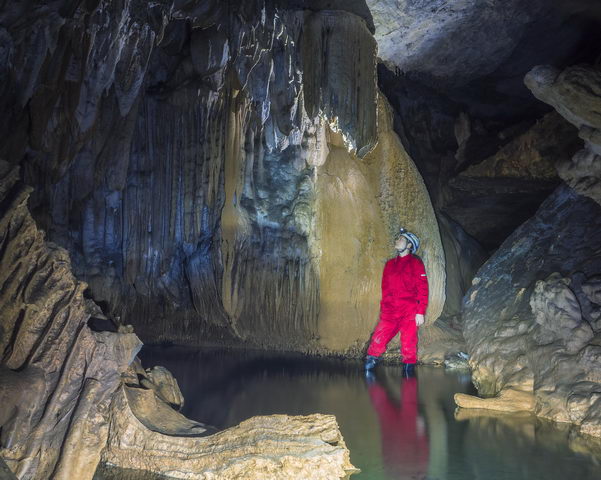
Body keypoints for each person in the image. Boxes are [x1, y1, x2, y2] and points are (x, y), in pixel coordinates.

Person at [364, 228, 429, 376]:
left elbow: (422, 289)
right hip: (391, 311)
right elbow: (385, 289)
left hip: (409, 311)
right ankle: (369, 367)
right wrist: (384, 309)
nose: (397, 240)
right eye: (397, 238)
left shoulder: (415, 263)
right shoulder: (389, 265)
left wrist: (420, 312)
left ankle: (408, 374)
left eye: (401, 239)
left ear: (409, 245)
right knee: (378, 338)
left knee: (408, 342)